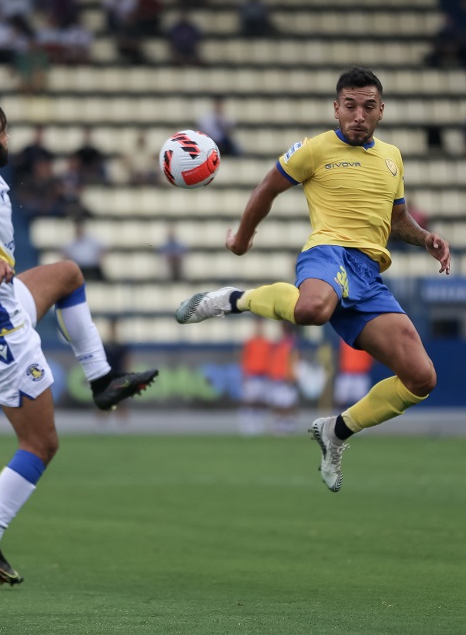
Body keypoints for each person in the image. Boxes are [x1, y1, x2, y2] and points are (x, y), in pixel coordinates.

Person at [175, 67, 451, 492]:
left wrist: (425, 238)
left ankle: (336, 432)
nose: (359, 115)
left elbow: (396, 219)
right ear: (336, 108)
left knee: (421, 378)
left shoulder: (393, 157)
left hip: (368, 275)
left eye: (369, 107)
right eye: (350, 106)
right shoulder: (314, 149)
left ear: (381, 111)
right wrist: (242, 241)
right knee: (312, 309)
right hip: (328, 253)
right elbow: (267, 188)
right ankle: (233, 299)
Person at [0, 96, 157, 585]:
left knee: (69, 274)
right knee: (41, 443)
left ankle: (101, 381)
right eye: (6, 133)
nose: (9, 140)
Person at [238, 319, 271, 435]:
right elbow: (244, 359)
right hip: (252, 375)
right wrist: (245, 374)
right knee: (249, 401)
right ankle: (247, 425)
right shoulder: (250, 342)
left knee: (259, 402)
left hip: (263, 376)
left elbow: (269, 360)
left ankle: (258, 424)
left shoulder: (266, 343)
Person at [334, 339, 374, 413]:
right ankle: (338, 419)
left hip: (361, 373)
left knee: (362, 401)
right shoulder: (344, 338)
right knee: (341, 398)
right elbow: (338, 353)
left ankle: (361, 418)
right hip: (346, 372)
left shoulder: (367, 338)